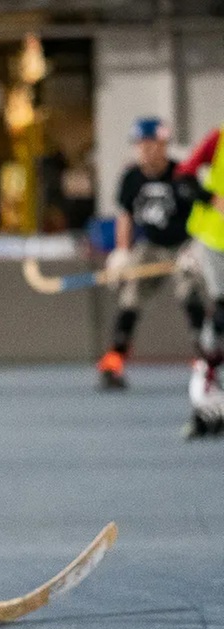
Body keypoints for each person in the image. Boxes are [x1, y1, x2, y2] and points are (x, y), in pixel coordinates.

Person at [96, 117, 204, 390]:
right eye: (141, 145)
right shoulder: (131, 177)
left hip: (182, 246)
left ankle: (205, 358)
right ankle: (114, 360)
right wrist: (122, 251)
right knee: (131, 296)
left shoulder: (182, 173)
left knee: (189, 293)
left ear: (164, 145)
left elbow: (202, 212)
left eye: (152, 144)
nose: (146, 150)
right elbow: (125, 216)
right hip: (151, 246)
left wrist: (196, 248)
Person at [175, 122, 224, 435]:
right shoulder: (219, 138)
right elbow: (183, 178)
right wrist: (211, 198)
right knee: (221, 312)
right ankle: (206, 391)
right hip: (216, 242)